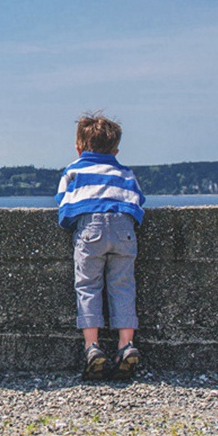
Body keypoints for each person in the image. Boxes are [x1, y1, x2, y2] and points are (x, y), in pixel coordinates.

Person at [55, 112, 146, 380]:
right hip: (124, 230)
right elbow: (137, 204)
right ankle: (125, 344)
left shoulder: (74, 171)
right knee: (123, 286)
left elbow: (65, 210)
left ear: (79, 147)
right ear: (116, 149)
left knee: (88, 287)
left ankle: (92, 347)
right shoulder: (126, 173)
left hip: (90, 230)